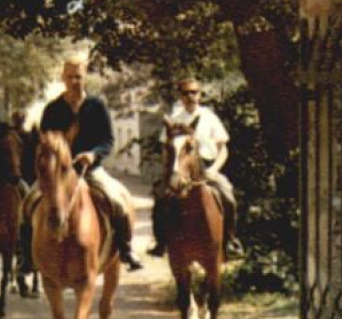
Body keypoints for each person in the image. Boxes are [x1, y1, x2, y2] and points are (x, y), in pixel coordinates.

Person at [27, 56, 144, 271]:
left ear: (85, 78)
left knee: (118, 200)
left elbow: (108, 140)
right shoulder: (52, 109)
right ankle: (25, 254)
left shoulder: (97, 107)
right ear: (63, 78)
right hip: (58, 174)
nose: (74, 81)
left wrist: (93, 154)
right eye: (70, 77)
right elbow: (43, 142)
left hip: (89, 169)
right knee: (29, 200)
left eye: (78, 77)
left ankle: (126, 249)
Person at [150, 78, 240, 257]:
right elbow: (166, 148)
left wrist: (214, 168)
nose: (190, 96)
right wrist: (170, 169)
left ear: (200, 95)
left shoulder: (210, 117)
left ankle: (230, 241)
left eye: (194, 92)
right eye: (185, 93)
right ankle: (161, 242)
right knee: (160, 196)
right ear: (180, 96)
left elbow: (223, 149)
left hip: (206, 167)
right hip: (180, 167)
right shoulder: (174, 119)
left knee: (228, 195)